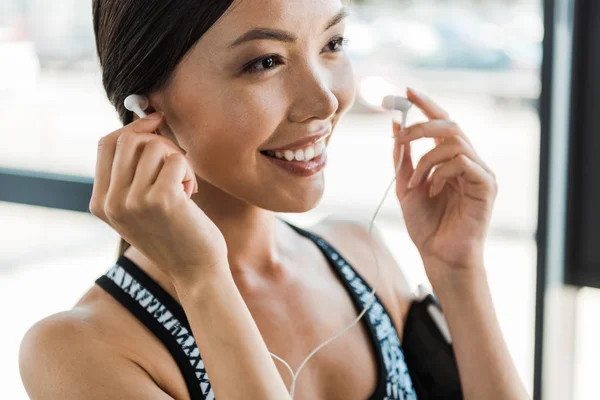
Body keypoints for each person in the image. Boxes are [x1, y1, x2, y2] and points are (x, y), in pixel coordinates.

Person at [18, 0, 530, 399]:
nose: (326, 100)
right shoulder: (77, 353)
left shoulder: (360, 255)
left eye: (333, 43)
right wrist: (203, 280)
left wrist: (459, 272)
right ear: (145, 102)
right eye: (266, 61)